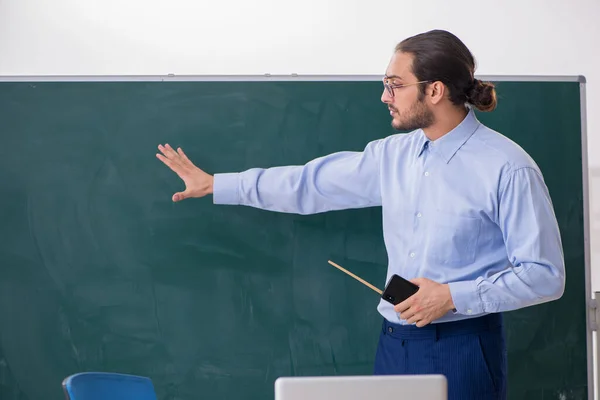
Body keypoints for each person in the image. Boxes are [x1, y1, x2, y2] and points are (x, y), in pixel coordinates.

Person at [156, 29, 565, 400]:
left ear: (435, 90)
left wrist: (451, 296)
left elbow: (544, 274)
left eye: (395, 84)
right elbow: (308, 185)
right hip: (393, 345)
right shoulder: (393, 156)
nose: (385, 95)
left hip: (464, 347)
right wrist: (217, 184)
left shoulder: (507, 167)